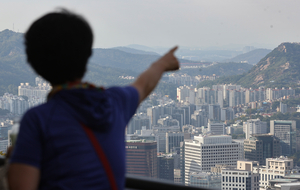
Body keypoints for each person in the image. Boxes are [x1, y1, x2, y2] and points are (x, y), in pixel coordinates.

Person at [7, 9, 179, 190]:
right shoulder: (113, 104)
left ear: (33, 63)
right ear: (87, 54)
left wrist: (18, 160)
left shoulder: (38, 120)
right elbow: (143, 85)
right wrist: (163, 63)